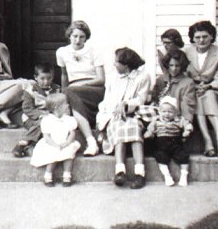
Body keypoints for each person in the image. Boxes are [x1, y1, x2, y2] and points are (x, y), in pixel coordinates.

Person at [96, 47, 152, 189]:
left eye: (116, 62)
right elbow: (107, 99)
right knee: (119, 127)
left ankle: (140, 173)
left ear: (126, 65)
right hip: (113, 114)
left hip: (134, 113)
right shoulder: (112, 77)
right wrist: (112, 111)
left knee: (134, 128)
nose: (114, 64)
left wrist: (127, 104)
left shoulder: (142, 77)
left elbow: (141, 98)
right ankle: (120, 171)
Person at [56, 20, 105, 156]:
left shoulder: (94, 51)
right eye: (74, 36)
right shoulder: (62, 52)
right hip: (72, 91)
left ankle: (90, 141)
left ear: (86, 38)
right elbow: (64, 75)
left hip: (93, 89)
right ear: (69, 36)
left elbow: (101, 79)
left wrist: (78, 86)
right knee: (67, 95)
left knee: (70, 92)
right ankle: (90, 142)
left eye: (81, 37)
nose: (77, 40)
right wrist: (62, 93)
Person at [184, 21, 218, 157]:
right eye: (197, 37)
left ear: (211, 36)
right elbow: (185, 75)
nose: (201, 40)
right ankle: (208, 140)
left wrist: (208, 86)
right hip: (194, 89)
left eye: (205, 36)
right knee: (200, 95)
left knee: (207, 94)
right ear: (192, 38)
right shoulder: (187, 51)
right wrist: (195, 86)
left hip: (215, 89)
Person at [30, 93, 81, 187]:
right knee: (52, 153)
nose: (68, 105)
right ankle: (48, 175)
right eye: (65, 103)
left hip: (65, 142)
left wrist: (67, 142)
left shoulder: (69, 119)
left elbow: (72, 133)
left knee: (69, 153)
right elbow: (47, 137)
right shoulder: (47, 120)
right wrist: (55, 145)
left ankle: (67, 175)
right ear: (57, 107)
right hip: (51, 143)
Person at [12, 62, 60, 157]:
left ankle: (31, 147)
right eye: (42, 78)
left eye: (49, 78)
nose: (46, 81)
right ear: (35, 77)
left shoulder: (57, 89)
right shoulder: (30, 91)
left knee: (52, 125)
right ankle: (23, 143)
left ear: (52, 77)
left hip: (50, 117)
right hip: (32, 118)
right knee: (43, 124)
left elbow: (58, 105)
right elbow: (27, 108)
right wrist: (41, 115)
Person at [144, 96, 193, 186]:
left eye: (170, 112)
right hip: (160, 143)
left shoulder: (179, 120)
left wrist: (187, 131)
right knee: (160, 157)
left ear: (175, 112)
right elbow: (151, 129)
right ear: (159, 112)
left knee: (183, 156)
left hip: (175, 142)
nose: (166, 114)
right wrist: (149, 133)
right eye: (164, 111)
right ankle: (167, 176)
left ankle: (184, 176)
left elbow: (188, 125)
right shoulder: (156, 120)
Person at [153, 49, 196, 125]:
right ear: (167, 65)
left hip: (175, 116)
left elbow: (187, 104)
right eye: (171, 65)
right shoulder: (161, 79)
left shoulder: (187, 82)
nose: (174, 69)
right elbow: (155, 100)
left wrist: (186, 121)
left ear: (182, 66)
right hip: (160, 114)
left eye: (177, 66)